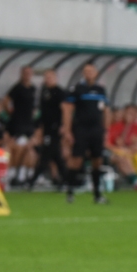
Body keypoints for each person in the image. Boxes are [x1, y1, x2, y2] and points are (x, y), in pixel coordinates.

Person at [62, 63, 111, 204]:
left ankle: (97, 195)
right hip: (81, 129)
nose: (88, 73)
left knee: (97, 160)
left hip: (96, 130)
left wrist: (106, 130)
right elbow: (68, 110)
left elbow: (106, 111)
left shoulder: (100, 90)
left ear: (96, 73)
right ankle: (70, 192)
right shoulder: (77, 89)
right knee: (76, 159)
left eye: (91, 71)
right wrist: (67, 130)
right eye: (86, 71)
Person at [28, 69, 67, 190]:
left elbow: (65, 110)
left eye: (50, 77)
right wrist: (39, 126)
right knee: (56, 156)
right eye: (46, 77)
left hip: (56, 127)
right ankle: (67, 180)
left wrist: (64, 125)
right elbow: (43, 112)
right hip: (47, 127)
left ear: (55, 78)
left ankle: (32, 180)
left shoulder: (60, 92)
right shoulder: (44, 92)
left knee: (46, 155)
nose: (48, 79)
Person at [5, 65, 37, 186]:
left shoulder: (33, 88)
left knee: (30, 149)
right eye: (25, 73)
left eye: (29, 73)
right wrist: (11, 112)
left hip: (29, 125)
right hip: (19, 125)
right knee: (19, 148)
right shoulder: (17, 88)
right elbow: (6, 100)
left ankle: (25, 174)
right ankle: (14, 174)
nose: (27, 75)